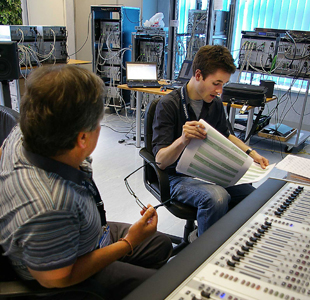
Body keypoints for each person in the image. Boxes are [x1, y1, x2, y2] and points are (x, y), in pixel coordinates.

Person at [0, 64, 172, 300]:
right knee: (161, 287)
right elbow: (59, 277)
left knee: (160, 245)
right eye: (98, 123)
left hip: (82, 234)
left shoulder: (23, 132)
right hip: (67, 267)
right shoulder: (51, 205)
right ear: (82, 138)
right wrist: (128, 242)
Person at [152, 45, 269, 238]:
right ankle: (203, 250)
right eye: (216, 83)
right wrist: (182, 140)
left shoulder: (213, 103)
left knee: (252, 196)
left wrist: (252, 154)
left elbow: (226, 135)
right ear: (198, 75)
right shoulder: (168, 105)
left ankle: (217, 236)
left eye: (223, 84)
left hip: (207, 171)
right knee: (217, 197)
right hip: (176, 177)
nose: (220, 90)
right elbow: (160, 161)